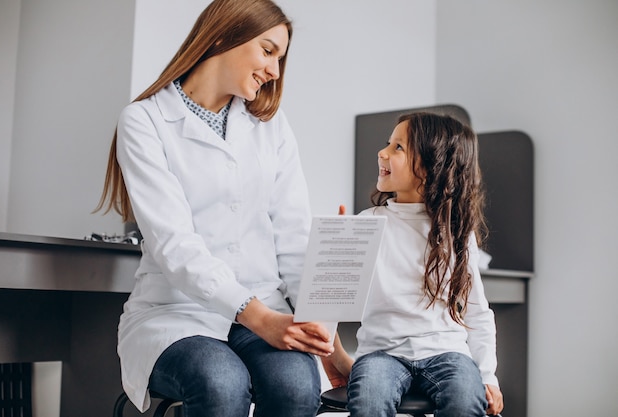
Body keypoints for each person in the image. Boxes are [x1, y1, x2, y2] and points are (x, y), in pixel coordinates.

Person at [94, 1, 334, 416]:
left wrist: (321, 334)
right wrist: (257, 317)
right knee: (220, 382)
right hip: (177, 312)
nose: (275, 71)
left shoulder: (271, 127)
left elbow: (294, 237)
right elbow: (175, 246)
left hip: (268, 309)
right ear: (224, 35)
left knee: (296, 386)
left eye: (280, 57)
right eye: (268, 50)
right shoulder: (144, 121)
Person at [323, 112, 505, 416]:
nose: (382, 152)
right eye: (388, 143)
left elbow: (478, 312)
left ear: (432, 166)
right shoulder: (367, 224)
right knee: (368, 399)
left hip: (448, 353)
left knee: (465, 397)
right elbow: (328, 306)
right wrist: (337, 251)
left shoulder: (457, 231)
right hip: (382, 355)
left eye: (398, 148)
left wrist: (488, 375)